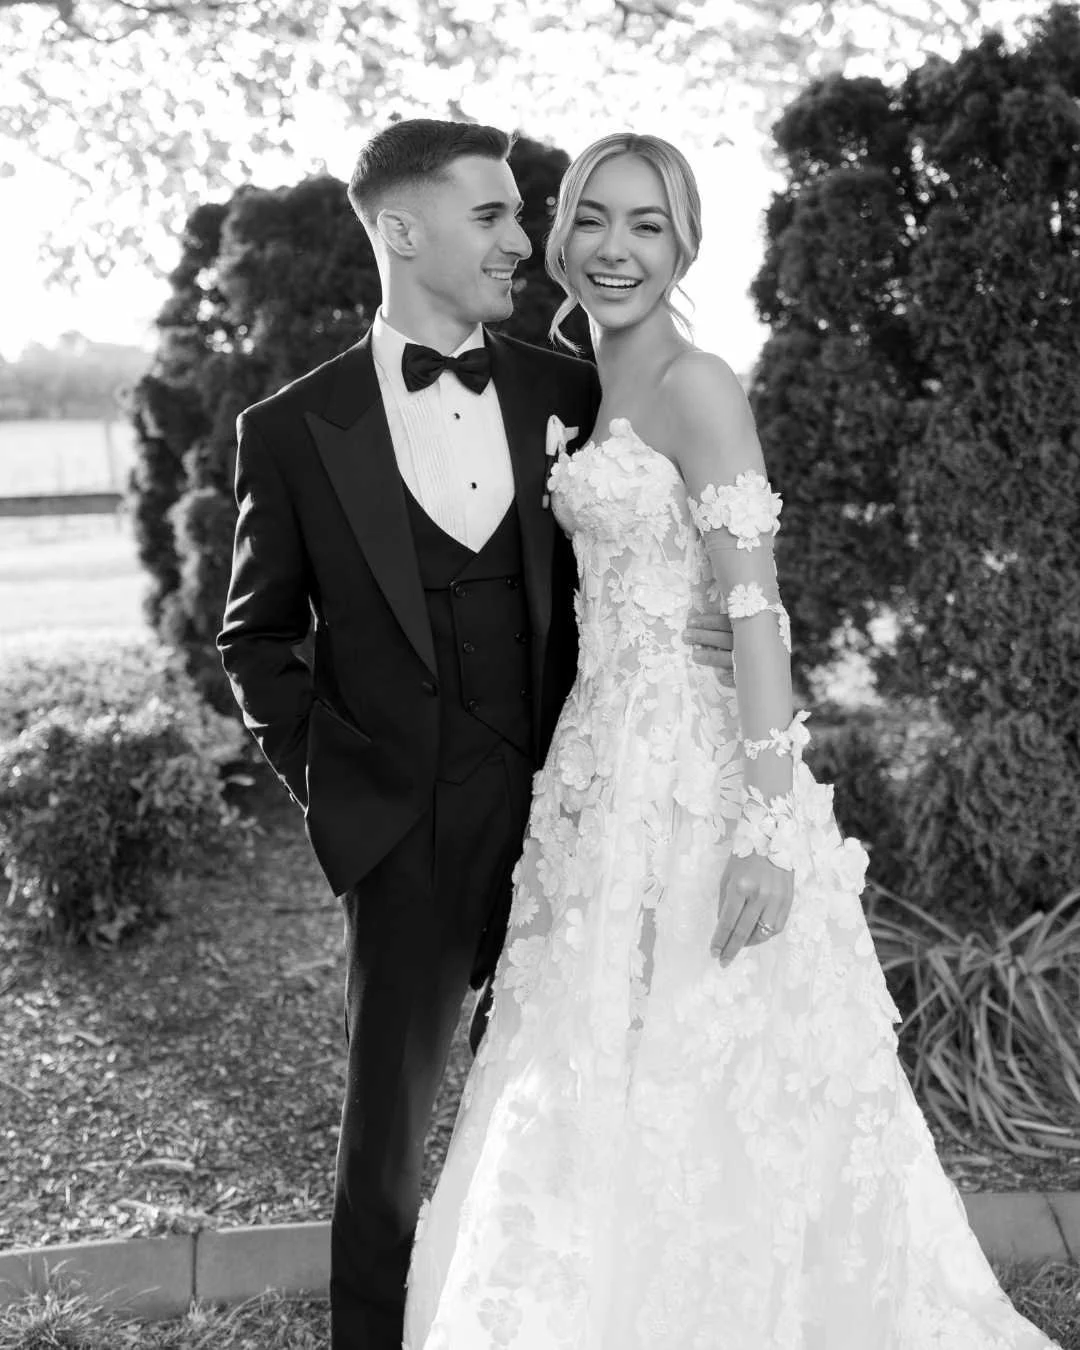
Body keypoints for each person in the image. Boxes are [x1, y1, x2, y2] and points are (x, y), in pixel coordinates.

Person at [402, 133, 1061, 1349]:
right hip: (598, 766)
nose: (616, 248)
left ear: (685, 246)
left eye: (647, 225)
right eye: (593, 219)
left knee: (712, 1053)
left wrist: (767, 831)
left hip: (698, 779)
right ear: (560, 237)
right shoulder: (584, 384)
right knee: (594, 1046)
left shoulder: (696, 384)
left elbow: (755, 612)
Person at [216, 119, 734, 1350]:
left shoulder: (569, 390)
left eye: (519, 215)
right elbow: (256, 638)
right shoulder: (292, 428)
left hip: (576, 806)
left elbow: (687, 525)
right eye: (493, 215)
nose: (522, 239)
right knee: (385, 1143)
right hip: (408, 827)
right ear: (404, 230)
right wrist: (341, 788)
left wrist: (723, 626)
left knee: (567, 1099)